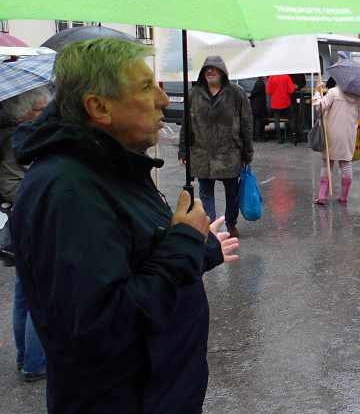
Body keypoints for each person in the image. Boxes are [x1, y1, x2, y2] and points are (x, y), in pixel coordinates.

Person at [10, 38, 240, 413]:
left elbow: (139, 256)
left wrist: (199, 245)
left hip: (159, 391)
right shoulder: (68, 191)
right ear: (99, 107)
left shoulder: (111, 165)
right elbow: (102, 326)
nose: (164, 101)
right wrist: (183, 241)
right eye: (145, 88)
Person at [0, 85, 49, 382]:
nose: (44, 114)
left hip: (23, 217)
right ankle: (34, 362)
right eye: (39, 110)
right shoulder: (14, 139)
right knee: (37, 293)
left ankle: (25, 358)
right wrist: (42, 193)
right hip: (29, 219)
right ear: (23, 114)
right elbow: (10, 185)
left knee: (24, 292)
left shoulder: (14, 133)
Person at [178, 56, 253, 238]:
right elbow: (186, 124)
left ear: (222, 72)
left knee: (232, 192)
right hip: (202, 154)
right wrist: (182, 149)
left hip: (229, 153)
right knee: (205, 193)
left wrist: (247, 150)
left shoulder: (236, 93)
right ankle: (210, 225)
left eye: (214, 68)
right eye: (207, 69)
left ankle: (231, 222)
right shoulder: (193, 94)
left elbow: (246, 122)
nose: (210, 71)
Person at [311, 78, 360, 205]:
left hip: (331, 133)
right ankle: (343, 196)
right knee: (346, 164)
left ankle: (322, 196)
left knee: (326, 164)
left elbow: (320, 107)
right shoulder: (358, 98)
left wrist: (317, 92)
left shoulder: (333, 92)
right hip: (348, 135)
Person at [266, 73, 297, 144]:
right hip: (285, 102)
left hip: (275, 103)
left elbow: (268, 91)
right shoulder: (286, 76)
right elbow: (291, 90)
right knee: (292, 118)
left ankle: (279, 139)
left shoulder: (271, 77)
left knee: (276, 120)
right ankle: (292, 137)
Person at [249, 76, 268, 142]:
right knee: (259, 121)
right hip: (258, 106)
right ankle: (258, 136)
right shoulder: (260, 83)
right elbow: (254, 93)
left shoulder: (259, 82)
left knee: (256, 121)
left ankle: (256, 136)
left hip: (256, 106)